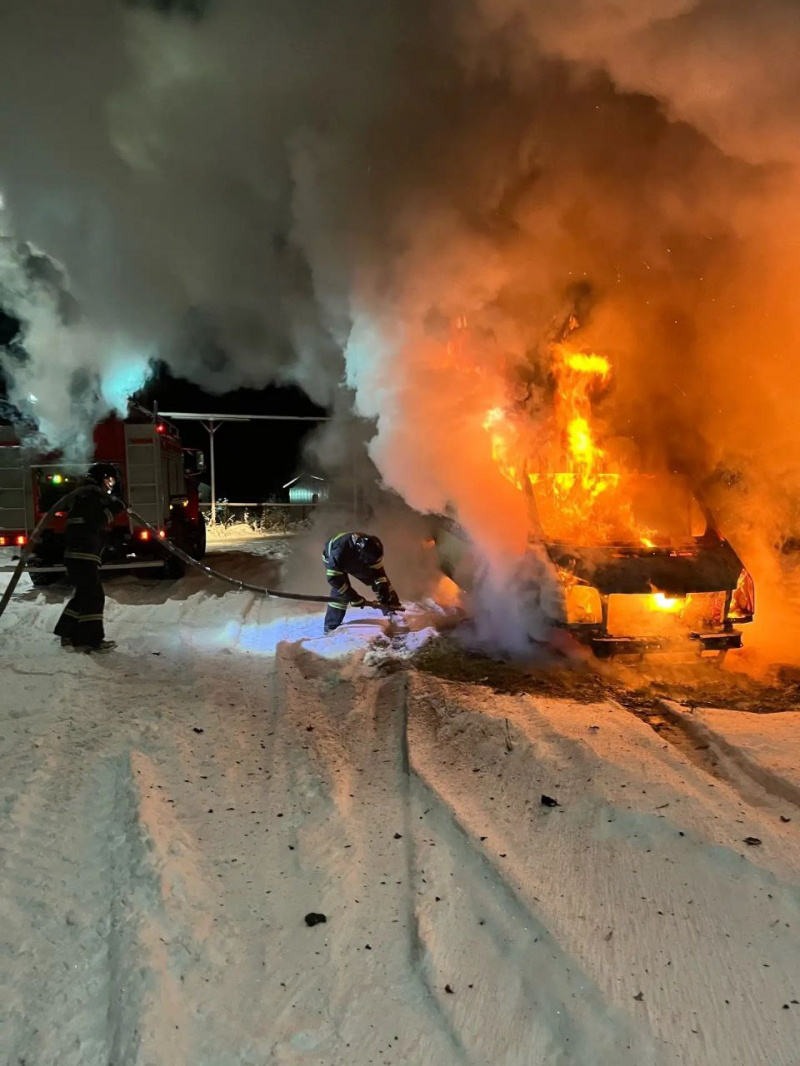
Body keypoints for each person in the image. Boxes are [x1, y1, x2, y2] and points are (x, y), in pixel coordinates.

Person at [54, 462, 126, 652]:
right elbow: (97, 521)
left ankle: (67, 632)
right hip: (82, 556)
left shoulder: (84, 496)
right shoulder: (92, 497)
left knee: (85, 594)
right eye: (109, 480)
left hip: (79, 556)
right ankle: (91, 640)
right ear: (101, 479)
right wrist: (117, 507)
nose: (110, 485)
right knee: (94, 596)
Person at [322, 531, 401, 634]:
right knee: (341, 592)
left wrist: (384, 595)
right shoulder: (339, 551)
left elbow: (380, 575)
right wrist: (354, 597)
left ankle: (392, 610)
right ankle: (331, 626)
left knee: (382, 583)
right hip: (335, 560)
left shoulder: (371, 546)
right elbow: (334, 579)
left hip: (356, 558)